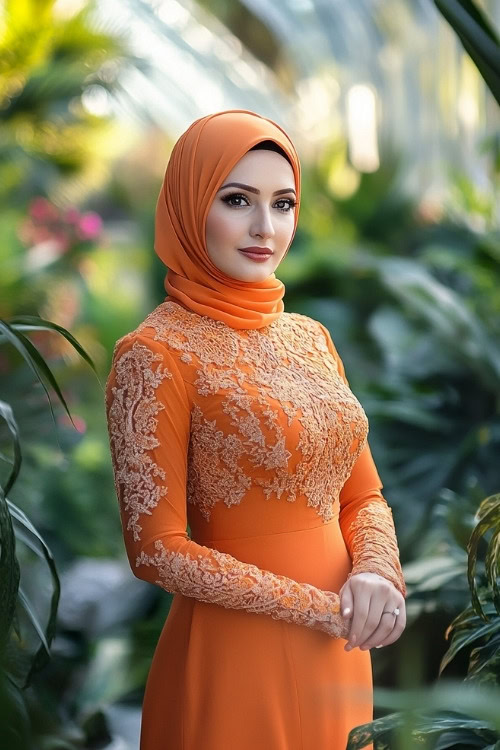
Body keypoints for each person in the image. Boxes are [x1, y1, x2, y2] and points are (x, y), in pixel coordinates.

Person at [104, 109, 407, 750]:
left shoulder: (311, 338)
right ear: (189, 205)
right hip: (233, 657)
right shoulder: (153, 353)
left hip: (341, 655)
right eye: (237, 200)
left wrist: (378, 574)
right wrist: (321, 610)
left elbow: (362, 496)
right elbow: (155, 550)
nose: (265, 228)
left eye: (284, 203)